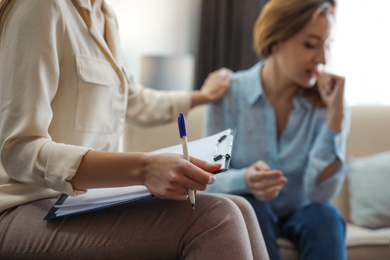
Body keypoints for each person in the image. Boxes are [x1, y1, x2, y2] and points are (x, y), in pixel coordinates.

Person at [0, 0, 270, 259]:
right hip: (25, 203)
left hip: (81, 202)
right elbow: (19, 150)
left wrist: (201, 96)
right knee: (217, 218)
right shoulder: (42, 6)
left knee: (242, 208)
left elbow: (134, 98)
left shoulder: (105, 14)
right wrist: (144, 169)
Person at [204, 0, 350, 259]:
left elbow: (320, 194)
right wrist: (244, 179)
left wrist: (336, 115)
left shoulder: (328, 104)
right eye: (310, 44)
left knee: (326, 216)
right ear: (276, 40)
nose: (323, 59)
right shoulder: (228, 94)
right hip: (250, 209)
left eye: (327, 45)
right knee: (251, 206)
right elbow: (206, 181)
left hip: (303, 214)